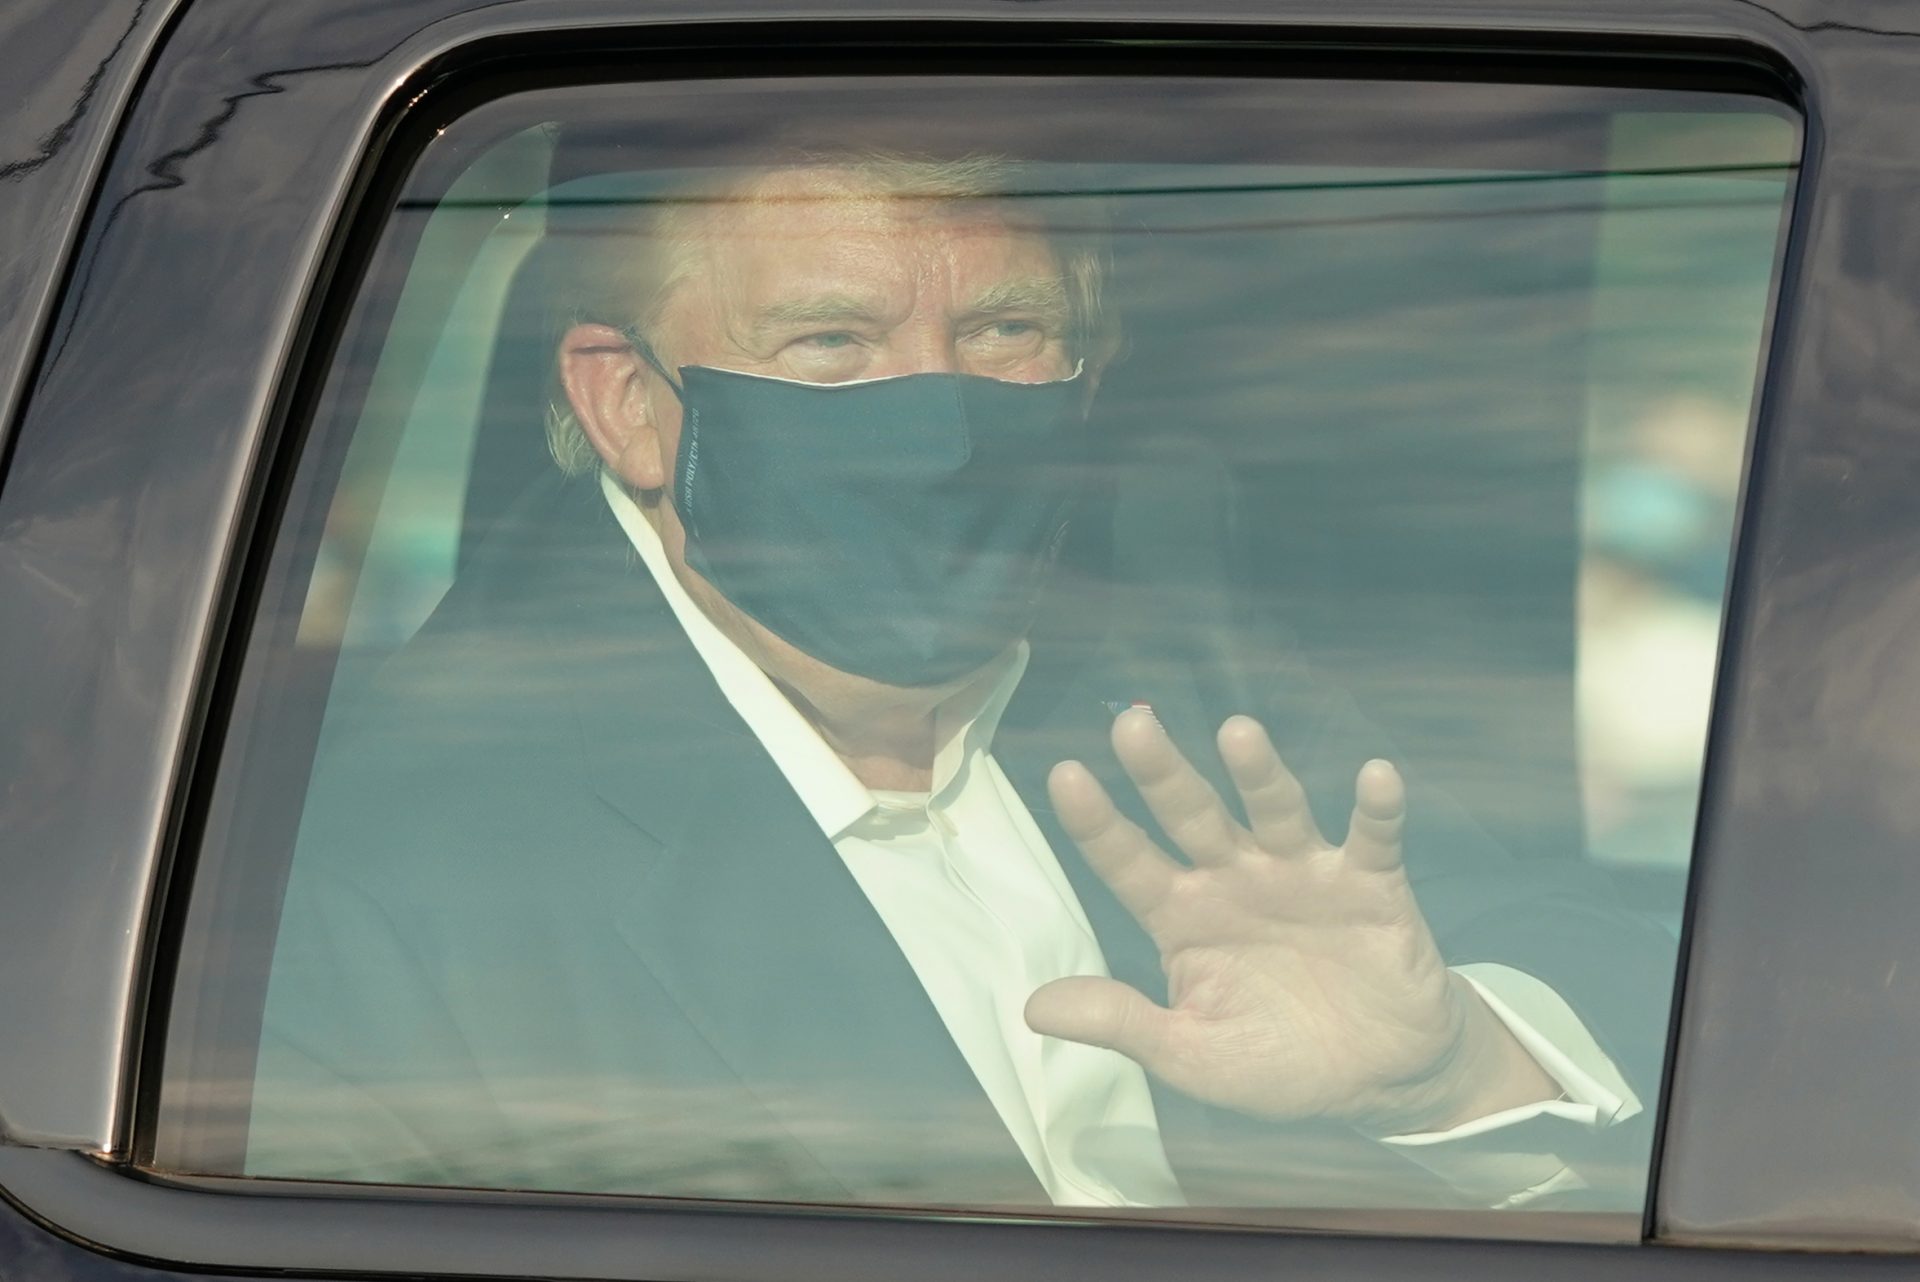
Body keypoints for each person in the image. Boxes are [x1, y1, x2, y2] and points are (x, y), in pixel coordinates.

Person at [248, 150, 1668, 1210]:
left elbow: (1641, 987)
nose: (942, 423)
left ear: (1084, 369)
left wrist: (1446, 1071)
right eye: (831, 345)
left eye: (1002, 333)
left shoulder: (1181, 671)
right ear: (628, 401)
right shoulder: (387, 867)